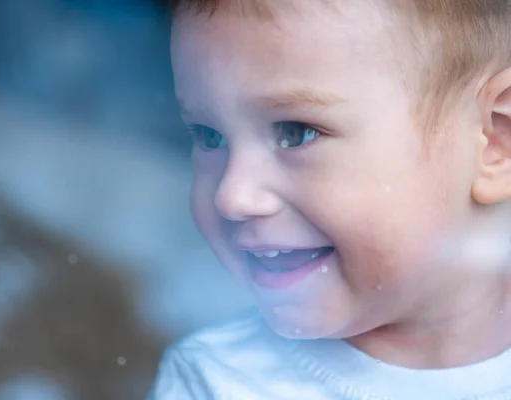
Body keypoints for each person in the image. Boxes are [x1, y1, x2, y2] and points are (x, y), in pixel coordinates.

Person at [148, 0, 511, 398]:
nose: (232, 197)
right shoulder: (216, 383)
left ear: (496, 142)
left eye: (296, 132)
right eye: (208, 135)